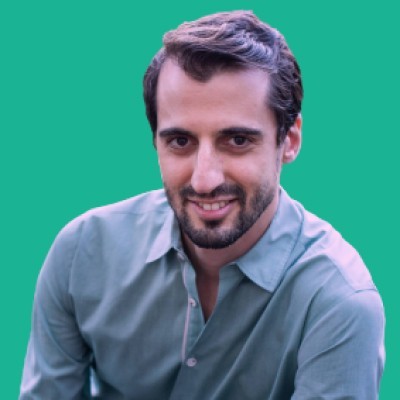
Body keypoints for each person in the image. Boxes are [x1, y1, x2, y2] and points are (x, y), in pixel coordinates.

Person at [20, 10, 385, 400]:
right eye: (180, 142)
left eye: (237, 141)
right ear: (155, 142)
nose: (204, 180)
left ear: (289, 140)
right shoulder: (82, 253)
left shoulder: (338, 302)